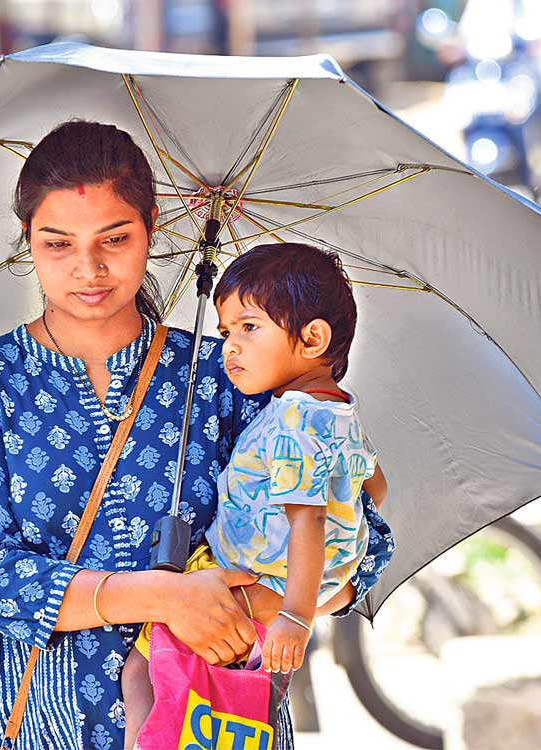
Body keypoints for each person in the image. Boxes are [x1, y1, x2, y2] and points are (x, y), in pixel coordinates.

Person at [0, 120, 395, 750]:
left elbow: (361, 542)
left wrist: (253, 605)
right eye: (58, 243)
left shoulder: (230, 374)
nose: (88, 268)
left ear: (151, 226)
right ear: (27, 239)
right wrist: (165, 598)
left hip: (216, 721)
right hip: (43, 723)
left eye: (115, 238)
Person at [120, 242, 385, 747]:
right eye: (225, 332)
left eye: (249, 327)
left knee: (142, 671)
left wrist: (294, 616)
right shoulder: (339, 412)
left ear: (312, 338)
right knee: (225, 694)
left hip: (255, 578)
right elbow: (377, 486)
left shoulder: (293, 421)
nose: (231, 347)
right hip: (295, 578)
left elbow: (307, 520)